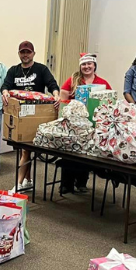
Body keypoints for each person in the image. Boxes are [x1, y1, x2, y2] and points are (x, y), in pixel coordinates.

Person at [2, 41, 59, 190]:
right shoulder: (13, 70)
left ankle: (18, 184)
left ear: (33, 53)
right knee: (23, 149)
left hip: (36, 115)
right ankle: (28, 181)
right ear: (19, 54)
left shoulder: (41, 69)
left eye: (28, 52)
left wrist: (56, 95)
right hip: (19, 115)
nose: (25, 55)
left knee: (26, 149)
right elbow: (5, 85)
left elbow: (52, 84)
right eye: (22, 52)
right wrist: (5, 93)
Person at [58, 53, 111, 194]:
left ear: (94, 65)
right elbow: (62, 100)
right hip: (73, 124)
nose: (87, 67)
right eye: (84, 64)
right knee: (69, 153)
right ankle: (66, 184)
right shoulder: (73, 80)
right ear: (80, 66)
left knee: (86, 154)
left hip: (92, 125)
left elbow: (110, 102)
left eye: (89, 64)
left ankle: (81, 183)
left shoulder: (102, 83)